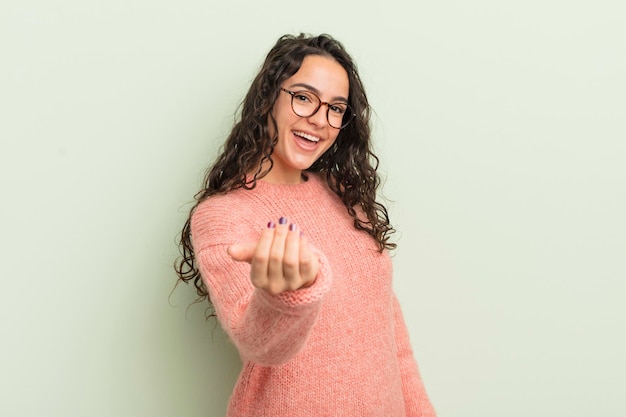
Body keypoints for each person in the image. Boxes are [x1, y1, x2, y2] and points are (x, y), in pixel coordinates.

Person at [175, 33, 436, 417]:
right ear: (269, 98)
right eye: (303, 97)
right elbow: (259, 345)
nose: (319, 119)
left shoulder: (344, 196)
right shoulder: (222, 215)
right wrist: (284, 297)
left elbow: (391, 337)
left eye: (336, 107)